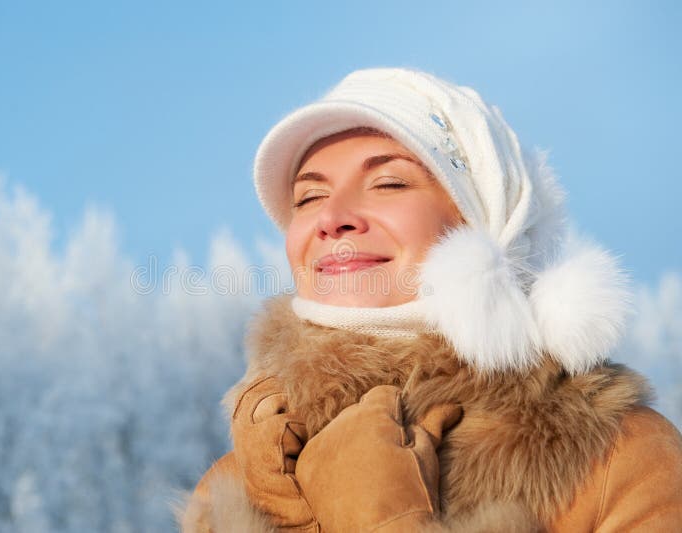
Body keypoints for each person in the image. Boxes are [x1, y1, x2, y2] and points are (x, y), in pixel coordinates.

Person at [176, 68, 682, 531]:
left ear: (485, 224)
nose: (333, 217)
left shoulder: (622, 455)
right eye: (308, 196)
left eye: (388, 182)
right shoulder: (234, 490)